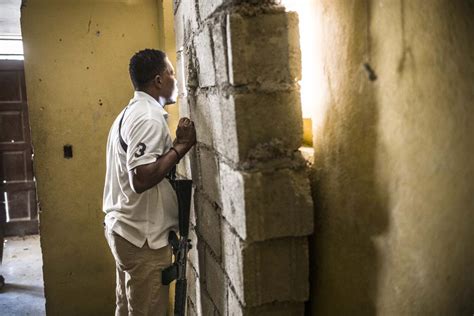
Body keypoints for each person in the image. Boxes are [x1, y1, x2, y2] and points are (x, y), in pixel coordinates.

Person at [102, 49, 196, 316]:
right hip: (140, 239)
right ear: (158, 80)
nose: (175, 80)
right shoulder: (148, 117)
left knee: (128, 308)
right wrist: (180, 147)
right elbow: (141, 179)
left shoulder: (132, 112)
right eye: (171, 74)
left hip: (125, 231)